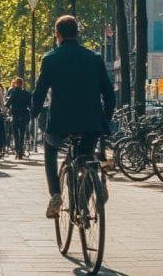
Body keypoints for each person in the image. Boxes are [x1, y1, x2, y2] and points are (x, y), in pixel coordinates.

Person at [31, 15, 115, 219]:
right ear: (77, 33)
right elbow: (110, 96)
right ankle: (84, 202)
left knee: (50, 149)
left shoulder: (50, 59)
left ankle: (56, 194)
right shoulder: (94, 58)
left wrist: (33, 114)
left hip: (61, 124)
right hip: (90, 124)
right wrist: (104, 119)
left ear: (57, 34)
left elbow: (39, 93)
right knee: (86, 156)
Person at [5, 77, 31, 160]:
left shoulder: (14, 92)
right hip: (24, 115)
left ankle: (17, 151)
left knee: (15, 134)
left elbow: (8, 104)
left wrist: (6, 109)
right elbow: (30, 105)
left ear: (16, 83)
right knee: (22, 134)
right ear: (22, 84)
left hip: (15, 115)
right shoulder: (27, 93)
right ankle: (20, 151)